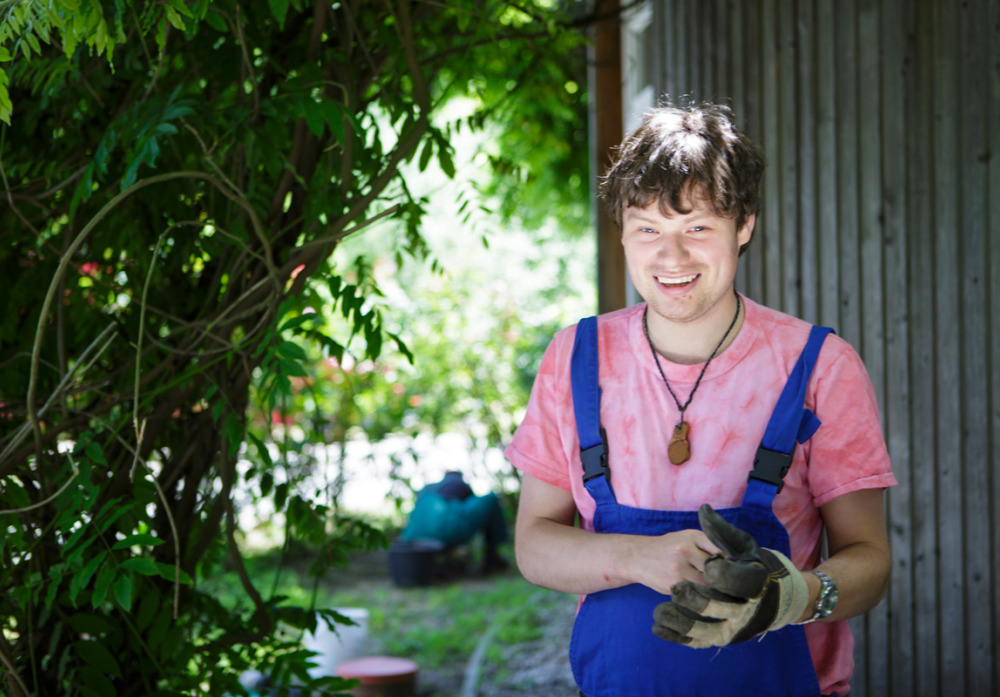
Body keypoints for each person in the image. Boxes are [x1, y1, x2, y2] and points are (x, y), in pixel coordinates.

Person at [505, 102, 895, 697]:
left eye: (697, 227)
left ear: (744, 225)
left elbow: (869, 560)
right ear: (624, 234)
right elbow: (534, 544)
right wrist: (638, 559)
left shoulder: (820, 366)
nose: (672, 256)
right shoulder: (575, 357)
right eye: (649, 229)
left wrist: (790, 596)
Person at [399, 471, 509, 573]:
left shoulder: (427, 489)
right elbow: (473, 510)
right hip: (445, 532)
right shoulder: (457, 483)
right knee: (490, 500)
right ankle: (492, 557)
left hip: (410, 536)